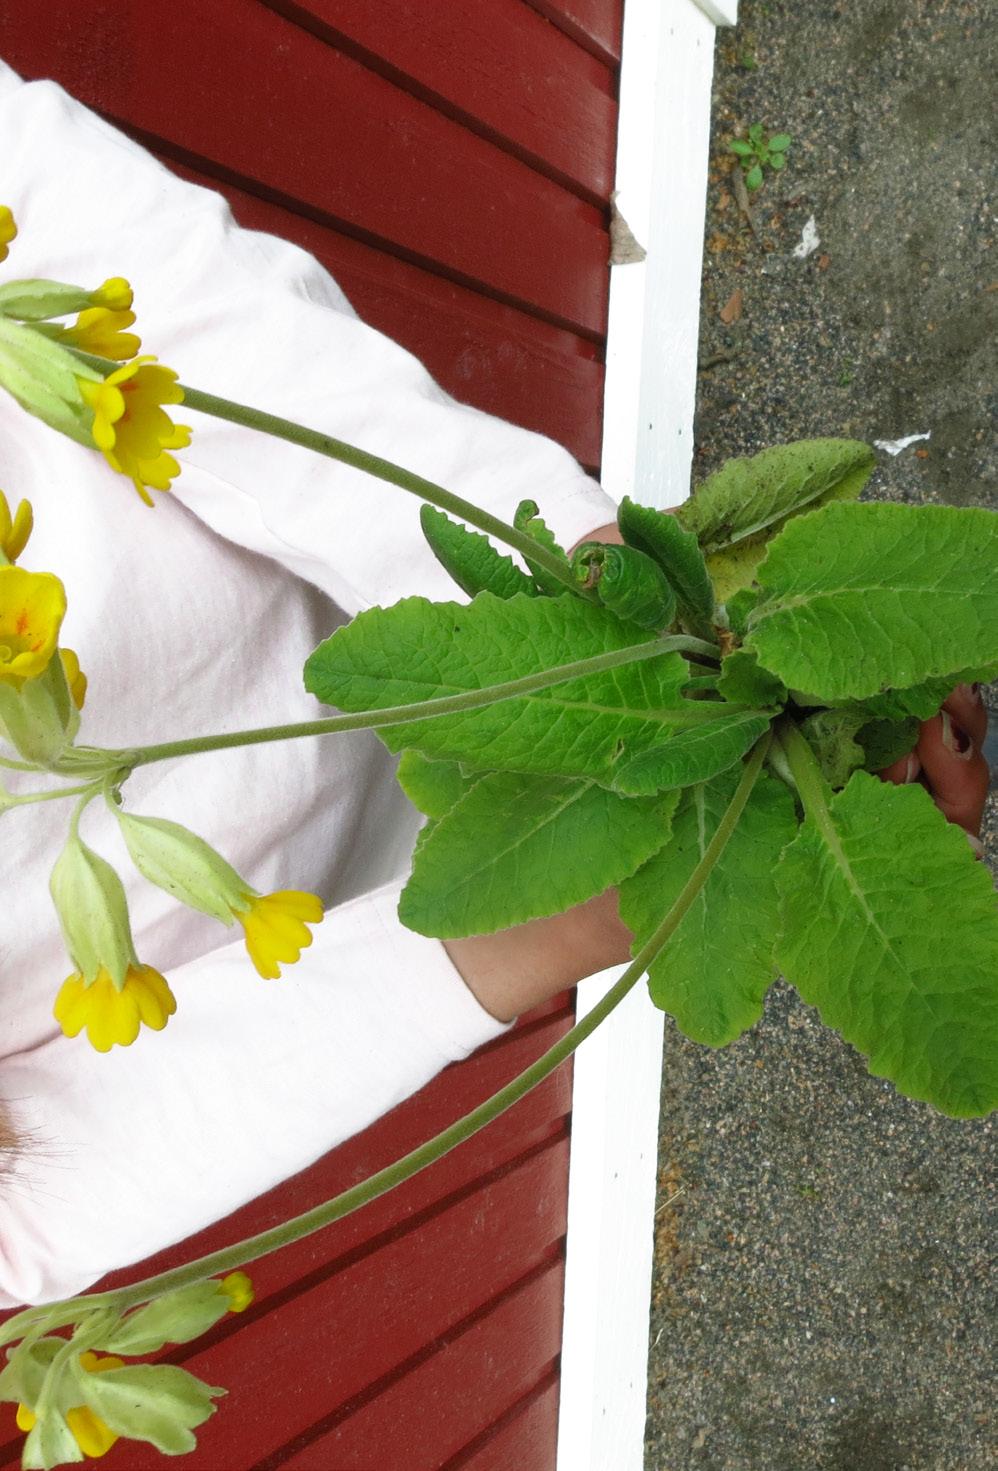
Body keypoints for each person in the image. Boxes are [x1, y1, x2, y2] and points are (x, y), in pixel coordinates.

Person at [0, 62, 988, 1309]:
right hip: (370, 898)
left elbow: (41, 200)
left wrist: (598, 597)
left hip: (318, 510)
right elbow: (35, 1200)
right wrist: (566, 922)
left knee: (856, 650)